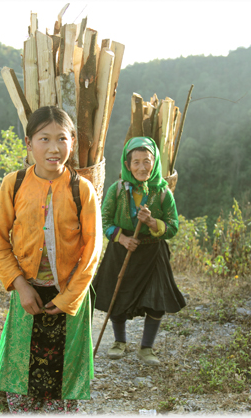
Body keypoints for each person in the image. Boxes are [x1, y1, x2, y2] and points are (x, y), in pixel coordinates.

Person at [0, 106, 102, 414]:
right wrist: (21, 286)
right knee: (21, 380)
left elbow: (92, 253)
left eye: (61, 139)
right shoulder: (13, 184)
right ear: (28, 143)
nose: (54, 148)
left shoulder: (82, 190)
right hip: (28, 291)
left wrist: (67, 298)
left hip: (70, 296)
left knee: (65, 381)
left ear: (73, 141)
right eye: (44, 139)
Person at [92, 136, 186, 366]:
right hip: (121, 250)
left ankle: (146, 347)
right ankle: (119, 342)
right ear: (127, 165)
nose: (142, 167)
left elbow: (172, 227)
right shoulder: (117, 190)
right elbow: (102, 222)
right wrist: (122, 238)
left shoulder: (163, 193)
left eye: (147, 161)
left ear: (155, 163)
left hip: (153, 252)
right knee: (117, 295)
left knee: (156, 300)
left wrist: (154, 223)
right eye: (136, 162)